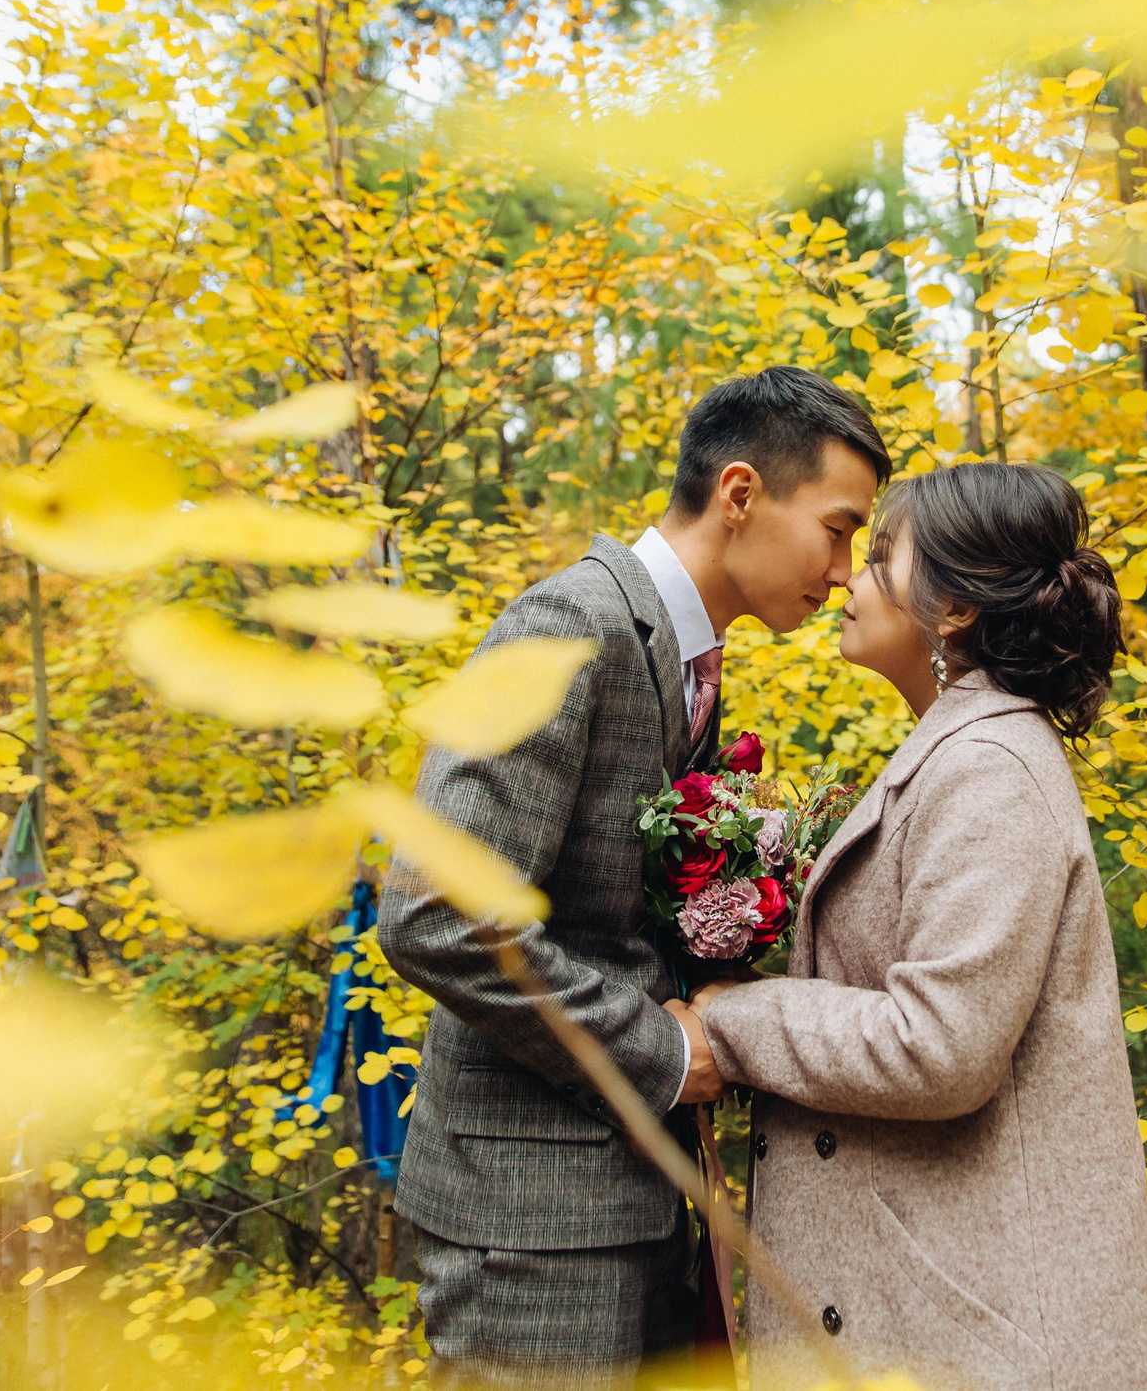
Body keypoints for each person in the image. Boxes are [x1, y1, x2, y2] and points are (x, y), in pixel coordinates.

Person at [377, 366, 890, 1390]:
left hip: (638, 1200)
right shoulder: (571, 626)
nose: (842, 572)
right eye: (837, 529)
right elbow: (434, 913)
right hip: (529, 1230)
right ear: (739, 495)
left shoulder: (687, 657)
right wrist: (655, 1046)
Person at [683, 462, 1147, 1391]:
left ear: (951, 610)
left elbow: (941, 1044)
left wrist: (732, 1023)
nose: (846, 580)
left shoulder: (990, 767)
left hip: (983, 1332)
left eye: (878, 558)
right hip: (925, 1313)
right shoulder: (954, 754)